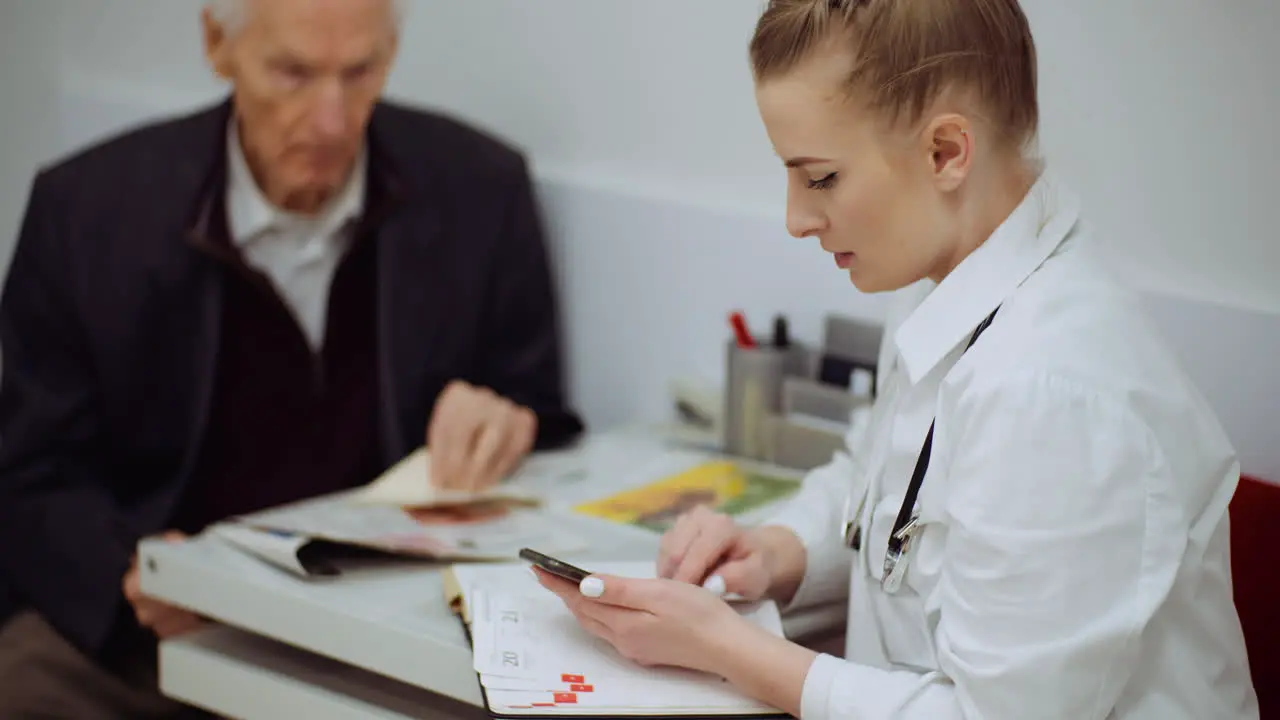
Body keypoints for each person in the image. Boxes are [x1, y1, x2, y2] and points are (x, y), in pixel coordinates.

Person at [534, 1, 1259, 718]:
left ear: (946, 152)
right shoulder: (941, 278)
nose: (796, 218)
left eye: (820, 178)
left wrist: (733, 651)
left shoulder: (1052, 393)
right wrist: (778, 551)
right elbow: (879, 485)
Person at [0, 0, 582, 716]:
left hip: (389, 631)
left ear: (392, 52)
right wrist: (131, 579)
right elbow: (32, 471)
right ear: (219, 45)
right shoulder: (86, 211)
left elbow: (544, 418)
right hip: (159, 630)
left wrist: (507, 423)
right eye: (292, 73)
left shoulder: (480, 188)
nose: (332, 121)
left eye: (360, 71)